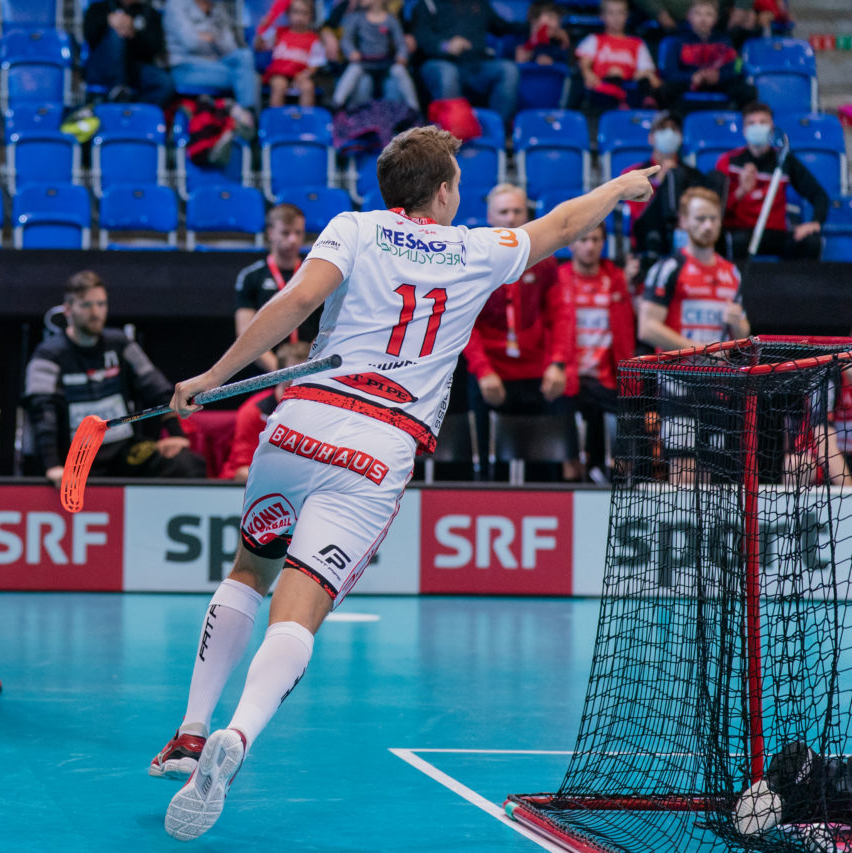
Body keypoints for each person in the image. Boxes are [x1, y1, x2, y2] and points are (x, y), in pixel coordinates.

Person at [151, 124, 659, 841]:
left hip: (297, 428)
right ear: (445, 190)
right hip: (376, 450)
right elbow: (566, 222)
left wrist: (213, 377)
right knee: (298, 612)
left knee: (249, 569)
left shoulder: (352, 227)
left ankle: (193, 730)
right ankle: (241, 730)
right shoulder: (480, 249)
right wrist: (620, 186)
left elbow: (294, 303)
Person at [23, 271, 206, 487]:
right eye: (86, 305)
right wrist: (53, 466)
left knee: (186, 463)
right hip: (74, 461)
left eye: (101, 304)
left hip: (123, 453)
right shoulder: (47, 355)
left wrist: (175, 434)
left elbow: (160, 391)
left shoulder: (121, 344)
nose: (96, 312)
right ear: (68, 310)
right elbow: (43, 414)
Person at [462, 184, 575, 481]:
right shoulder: (474, 261)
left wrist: (558, 362)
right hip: (491, 373)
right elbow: (465, 322)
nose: (511, 218)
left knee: (544, 463)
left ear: (528, 214)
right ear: (489, 216)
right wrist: (483, 371)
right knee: (488, 463)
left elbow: (560, 315)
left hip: (537, 372)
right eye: (504, 212)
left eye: (517, 211)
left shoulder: (545, 260)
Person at [638, 186, 750, 482]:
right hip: (679, 382)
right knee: (683, 471)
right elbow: (647, 326)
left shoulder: (731, 273)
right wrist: (700, 349)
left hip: (718, 383)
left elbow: (744, 333)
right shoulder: (670, 268)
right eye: (700, 219)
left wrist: (737, 325)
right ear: (684, 221)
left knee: (712, 474)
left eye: (713, 218)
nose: (708, 225)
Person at [557, 223, 636, 481]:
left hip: (608, 381)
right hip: (569, 381)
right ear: (571, 243)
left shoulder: (616, 280)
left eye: (596, 240)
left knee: (622, 463)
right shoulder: (559, 279)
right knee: (570, 463)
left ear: (604, 243)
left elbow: (629, 328)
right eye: (583, 239)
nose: (590, 246)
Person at [715, 101, 828, 262]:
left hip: (775, 233)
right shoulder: (728, 161)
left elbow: (819, 195)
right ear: (744, 129)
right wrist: (741, 191)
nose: (758, 127)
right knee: (733, 241)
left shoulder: (784, 160)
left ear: (772, 127)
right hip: (740, 231)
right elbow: (716, 208)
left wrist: (815, 222)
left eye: (763, 122)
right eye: (752, 123)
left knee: (810, 243)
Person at [233, 203, 322, 373]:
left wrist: (306, 367)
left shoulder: (316, 273)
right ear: (270, 233)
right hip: (266, 371)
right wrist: (278, 372)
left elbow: (328, 324)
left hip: (311, 367)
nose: (293, 240)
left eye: (298, 233)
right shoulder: (251, 276)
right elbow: (244, 332)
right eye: (285, 233)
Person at [621, 111, 721, 260]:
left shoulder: (694, 175)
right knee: (674, 176)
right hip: (650, 234)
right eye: (662, 128)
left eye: (674, 129)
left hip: (691, 234)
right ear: (651, 138)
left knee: (717, 178)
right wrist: (658, 183)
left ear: (681, 138)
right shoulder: (633, 173)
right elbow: (636, 214)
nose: (669, 133)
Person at [404, 0, 520, 122]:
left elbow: (503, 26)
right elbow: (421, 37)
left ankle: (496, 129)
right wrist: (446, 46)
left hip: (476, 64)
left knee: (509, 70)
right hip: (438, 62)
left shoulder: (479, 3)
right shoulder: (427, 4)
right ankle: (450, 133)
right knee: (447, 72)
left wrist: (533, 23)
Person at [220, 341, 311, 481]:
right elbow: (242, 471)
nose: (299, 382)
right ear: (279, 375)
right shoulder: (253, 411)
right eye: (293, 376)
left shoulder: (320, 410)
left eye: (306, 376)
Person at [164, 0, 260, 131]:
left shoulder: (217, 8)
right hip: (186, 68)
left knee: (245, 55)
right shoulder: (176, 4)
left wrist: (209, 37)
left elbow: (230, 47)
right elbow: (190, 42)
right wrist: (211, 39)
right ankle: (249, 121)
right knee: (251, 78)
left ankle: (245, 116)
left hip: (217, 65)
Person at [656, 0, 756, 112]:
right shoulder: (677, 42)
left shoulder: (725, 41)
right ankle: (673, 122)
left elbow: (738, 66)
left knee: (748, 91)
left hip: (719, 82)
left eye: (709, 14)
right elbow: (669, 72)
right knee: (665, 90)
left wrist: (720, 75)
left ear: (716, 19)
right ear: (689, 16)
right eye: (698, 14)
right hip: (688, 83)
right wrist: (692, 77)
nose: (703, 19)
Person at [575, 0, 663, 113]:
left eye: (620, 13)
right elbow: (584, 64)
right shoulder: (595, 39)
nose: (616, 18)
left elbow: (646, 70)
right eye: (611, 13)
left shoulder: (636, 43)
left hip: (630, 92)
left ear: (626, 16)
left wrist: (631, 75)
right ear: (602, 16)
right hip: (601, 91)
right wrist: (588, 73)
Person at [331, 0, 419, 111]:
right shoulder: (357, 18)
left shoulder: (390, 20)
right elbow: (346, 40)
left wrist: (402, 55)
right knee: (353, 69)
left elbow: (400, 42)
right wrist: (351, 52)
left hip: (385, 62)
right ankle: (338, 102)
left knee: (400, 71)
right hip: (365, 61)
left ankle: (414, 108)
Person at [83, 0, 175, 106]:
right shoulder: (99, 7)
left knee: (165, 83)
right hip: (102, 67)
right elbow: (88, 37)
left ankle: (133, 109)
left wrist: (133, 32)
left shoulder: (149, 13)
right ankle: (117, 91)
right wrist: (107, 20)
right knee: (116, 33)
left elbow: (155, 49)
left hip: (133, 69)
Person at [254, 0, 326, 108]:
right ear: (288, 13)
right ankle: (277, 120)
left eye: (304, 13)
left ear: (310, 16)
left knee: (308, 87)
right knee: (279, 85)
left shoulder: (313, 39)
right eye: (296, 12)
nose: (299, 17)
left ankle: (305, 121)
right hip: (279, 73)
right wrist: (262, 28)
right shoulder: (279, 32)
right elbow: (259, 47)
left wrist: (305, 75)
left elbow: (315, 64)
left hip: (300, 75)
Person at [515, 2, 572, 67]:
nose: (555, 24)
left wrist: (566, 44)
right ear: (533, 18)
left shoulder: (557, 45)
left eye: (558, 19)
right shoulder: (516, 39)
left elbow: (567, 69)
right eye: (550, 17)